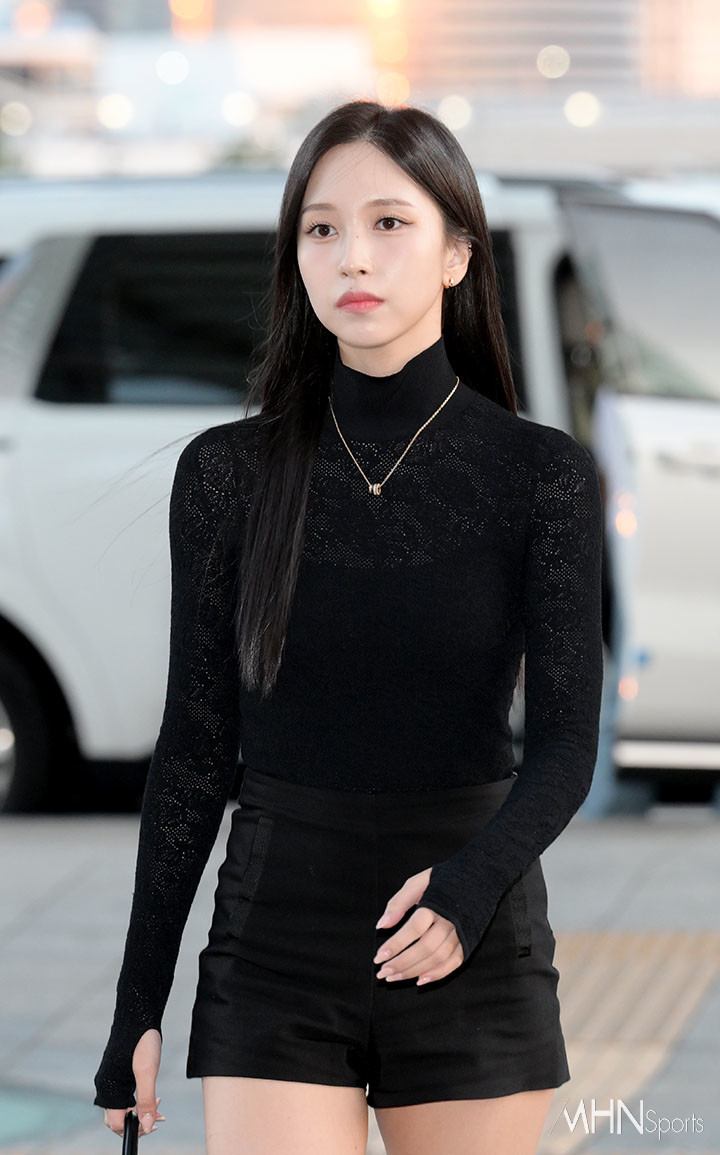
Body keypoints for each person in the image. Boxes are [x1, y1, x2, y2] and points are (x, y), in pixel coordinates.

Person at [93, 99, 604, 1155]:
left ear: (458, 253)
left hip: (467, 936)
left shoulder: (540, 475)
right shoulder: (227, 474)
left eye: (389, 223)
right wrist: (137, 1004)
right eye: (320, 228)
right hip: (273, 941)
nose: (351, 256)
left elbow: (565, 745)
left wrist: (469, 890)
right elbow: (193, 752)